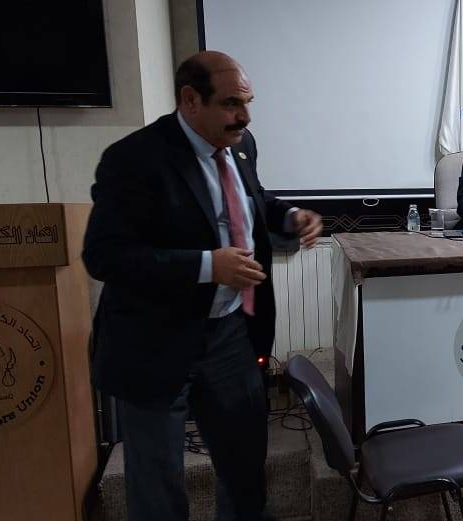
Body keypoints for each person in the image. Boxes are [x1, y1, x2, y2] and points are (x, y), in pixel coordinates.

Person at [82, 51, 322, 521]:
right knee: (157, 487)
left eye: (248, 103)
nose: (245, 116)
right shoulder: (133, 159)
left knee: (245, 470)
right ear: (190, 100)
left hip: (229, 335)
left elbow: (253, 198)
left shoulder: (241, 144)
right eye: (232, 103)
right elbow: (104, 255)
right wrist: (208, 266)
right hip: (153, 342)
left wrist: (290, 215)